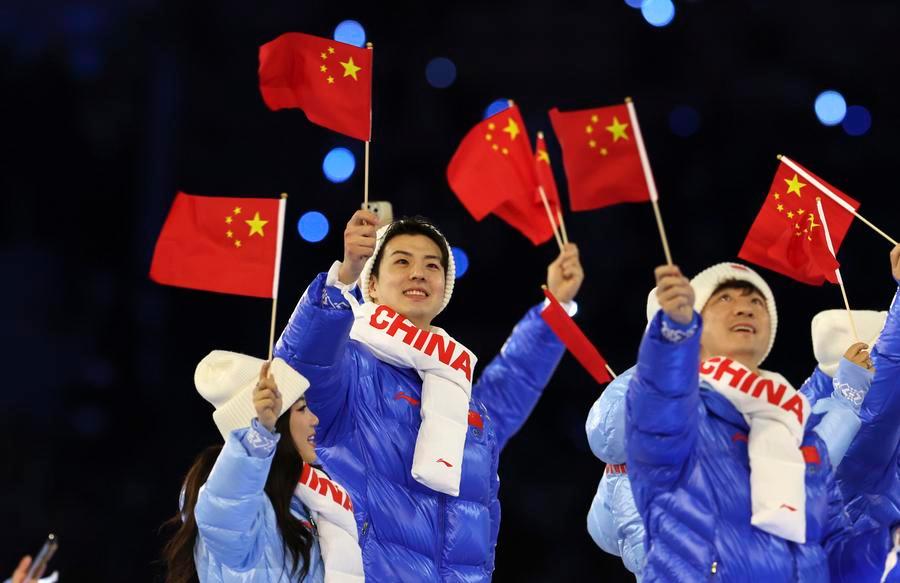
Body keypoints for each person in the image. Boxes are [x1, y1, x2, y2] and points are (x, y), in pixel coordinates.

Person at [274, 211, 584, 581]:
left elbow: (510, 386)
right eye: (402, 261)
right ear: (372, 284)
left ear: (444, 288)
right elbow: (300, 366)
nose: (418, 273)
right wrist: (343, 278)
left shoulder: (455, 386)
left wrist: (555, 312)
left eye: (432, 265)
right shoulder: (351, 368)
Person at [625, 260, 897, 581]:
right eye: (724, 298)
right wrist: (672, 337)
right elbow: (657, 406)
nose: (744, 308)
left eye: (757, 301)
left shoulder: (798, 431)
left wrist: (889, 547)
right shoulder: (682, 418)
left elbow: (832, 554)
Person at [162, 353, 362, 583]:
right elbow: (224, 510)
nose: (314, 419)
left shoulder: (305, 500)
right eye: (302, 409)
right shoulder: (239, 505)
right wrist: (260, 433)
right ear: (277, 421)